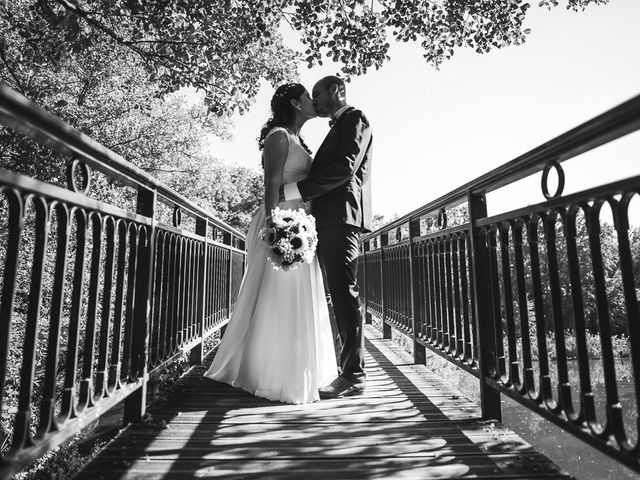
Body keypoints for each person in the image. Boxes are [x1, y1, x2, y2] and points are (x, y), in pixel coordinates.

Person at [204, 83, 337, 404]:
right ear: (295, 102)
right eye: (308, 97)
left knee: (294, 296)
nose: (312, 101)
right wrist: (276, 225)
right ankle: (269, 373)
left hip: (300, 225)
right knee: (279, 296)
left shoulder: (297, 139)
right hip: (281, 223)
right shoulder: (278, 137)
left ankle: (294, 368)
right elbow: (270, 185)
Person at [280, 76, 373, 398]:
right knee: (333, 294)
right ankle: (340, 367)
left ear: (336, 91)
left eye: (317, 94)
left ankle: (354, 376)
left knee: (344, 294)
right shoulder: (337, 125)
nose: (315, 101)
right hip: (326, 220)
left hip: (342, 219)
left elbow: (345, 169)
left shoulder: (355, 118)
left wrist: (293, 191)